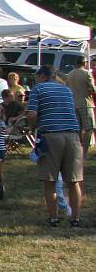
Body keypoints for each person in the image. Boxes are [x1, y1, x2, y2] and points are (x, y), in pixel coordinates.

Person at [27, 65, 83, 227]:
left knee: (50, 181)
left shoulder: (38, 89)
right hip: (72, 136)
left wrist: (33, 127)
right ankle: (75, 219)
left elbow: (32, 114)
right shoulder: (66, 90)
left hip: (51, 135)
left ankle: (53, 218)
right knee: (74, 181)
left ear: (43, 76)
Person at [65, 59, 95, 159]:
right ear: (84, 63)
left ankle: (76, 151)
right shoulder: (87, 73)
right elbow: (92, 89)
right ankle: (84, 152)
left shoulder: (69, 74)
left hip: (73, 104)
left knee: (76, 129)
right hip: (85, 104)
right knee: (89, 128)